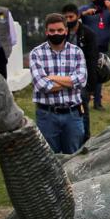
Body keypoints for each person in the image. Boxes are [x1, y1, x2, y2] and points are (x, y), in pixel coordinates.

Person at [29, 13, 88, 154]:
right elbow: (42, 85)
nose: (56, 33)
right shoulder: (36, 53)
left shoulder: (77, 52)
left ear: (66, 31)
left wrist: (52, 77)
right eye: (52, 31)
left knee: (75, 158)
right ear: (46, 32)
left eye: (60, 30)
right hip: (47, 115)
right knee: (49, 161)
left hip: (73, 114)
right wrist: (69, 81)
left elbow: (82, 80)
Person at [79, 0, 110, 110]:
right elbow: (71, 18)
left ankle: (97, 102)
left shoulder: (107, 11)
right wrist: (84, 14)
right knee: (87, 74)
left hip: (102, 47)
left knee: (99, 74)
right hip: (87, 47)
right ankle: (84, 99)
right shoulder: (86, 9)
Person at [62, 4, 99, 142]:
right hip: (65, 76)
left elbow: (92, 60)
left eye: (71, 17)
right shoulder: (61, 33)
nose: (68, 20)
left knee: (82, 105)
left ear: (77, 16)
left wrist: (91, 86)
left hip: (83, 77)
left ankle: (85, 137)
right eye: (65, 17)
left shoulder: (88, 34)